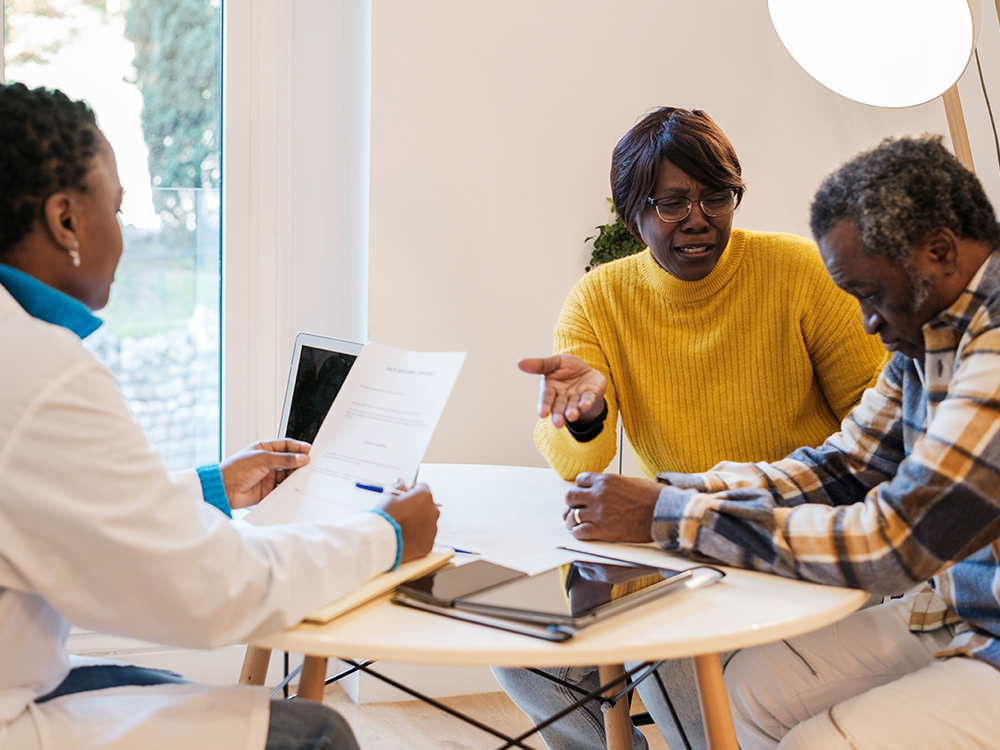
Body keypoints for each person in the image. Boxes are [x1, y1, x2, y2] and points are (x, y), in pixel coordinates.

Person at [0, 82, 439, 750]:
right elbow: (210, 590)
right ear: (65, 220)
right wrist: (388, 537)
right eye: (115, 208)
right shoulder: (37, 367)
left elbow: (50, 503)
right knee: (314, 734)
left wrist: (211, 489)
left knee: (160, 684)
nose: (123, 234)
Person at [564, 134, 1000, 749]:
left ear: (940, 251)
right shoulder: (929, 330)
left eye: (872, 295)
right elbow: (845, 465)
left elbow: (892, 544)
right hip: (956, 610)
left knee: (811, 742)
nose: (868, 322)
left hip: (981, 625)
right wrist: (670, 495)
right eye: (672, 202)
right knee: (749, 692)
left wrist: (671, 515)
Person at [501, 107, 886, 750]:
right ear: (633, 214)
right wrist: (586, 416)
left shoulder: (798, 271)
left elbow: (877, 429)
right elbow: (577, 462)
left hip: (788, 544)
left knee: (677, 676)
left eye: (716, 197)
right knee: (516, 646)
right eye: (673, 203)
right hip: (674, 548)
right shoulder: (600, 299)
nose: (698, 218)